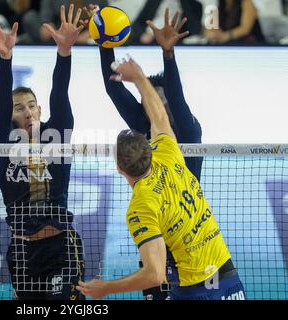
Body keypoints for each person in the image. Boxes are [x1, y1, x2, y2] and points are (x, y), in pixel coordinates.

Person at [76, 56, 246, 300]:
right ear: (150, 147)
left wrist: (106, 288)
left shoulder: (140, 207)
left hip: (194, 291)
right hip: (228, 280)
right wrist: (139, 79)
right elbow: (159, 117)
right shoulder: (168, 153)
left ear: (120, 169)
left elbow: (155, 275)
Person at [84, 5, 203, 299]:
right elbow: (113, 91)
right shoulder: (142, 124)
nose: (155, 105)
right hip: (156, 235)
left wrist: (168, 54)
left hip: (189, 237)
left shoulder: (188, 131)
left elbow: (175, 96)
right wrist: (105, 44)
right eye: (151, 99)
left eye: (160, 99)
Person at [0, 4, 85, 300]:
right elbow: (0, 104)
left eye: (31, 105)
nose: (27, 112)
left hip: (61, 245)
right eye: (19, 108)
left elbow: (60, 93)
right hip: (23, 250)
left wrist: (64, 54)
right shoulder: (3, 145)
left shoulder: (57, 136)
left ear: (40, 109)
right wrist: (6, 59)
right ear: (11, 117)